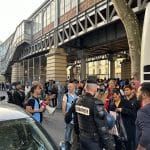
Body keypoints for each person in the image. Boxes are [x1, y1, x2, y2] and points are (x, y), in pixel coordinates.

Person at [75, 76, 115, 150]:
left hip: (82, 138)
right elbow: (102, 127)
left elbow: (76, 122)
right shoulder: (96, 104)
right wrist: (110, 146)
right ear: (95, 88)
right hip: (93, 142)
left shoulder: (78, 101)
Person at [124, 84, 141, 150]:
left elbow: (133, 112)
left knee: (134, 142)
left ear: (132, 90)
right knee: (127, 142)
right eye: (124, 90)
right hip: (125, 124)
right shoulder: (123, 99)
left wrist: (123, 110)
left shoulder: (136, 100)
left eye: (127, 90)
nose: (125, 91)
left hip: (133, 124)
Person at [62, 82, 78, 150]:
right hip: (69, 119)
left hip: (75, 119)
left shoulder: (77, 96)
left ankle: (73, 147)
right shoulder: (66, 96)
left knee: (75, 135)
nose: (68, 88)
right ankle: (66, 146)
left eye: (70, 87)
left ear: (74, 87)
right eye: (68, 87)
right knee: (67, 133)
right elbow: (63, 107)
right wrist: (66, 117)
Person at [136, 83, 150, 150]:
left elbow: (147, 134)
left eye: (138, 91)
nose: (136, 93)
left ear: (144, 95)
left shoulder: (143, 111)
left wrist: (139, 148)